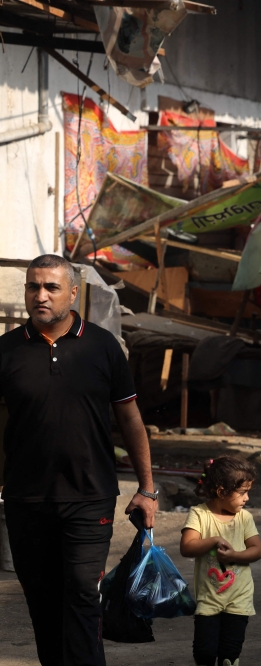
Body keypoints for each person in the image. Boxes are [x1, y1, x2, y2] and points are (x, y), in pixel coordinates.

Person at [0, 254, 157, 666]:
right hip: (26, 500)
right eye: (34, 286)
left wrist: (147, 489)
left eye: (51, 287)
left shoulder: (102, 346)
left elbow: (130, 419)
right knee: (43, 602)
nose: (41, 295)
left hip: (90, 498)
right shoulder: (7, 350)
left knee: (84, 595)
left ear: (73, 293)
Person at [180, 456, 261, 666]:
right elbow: (187, 547)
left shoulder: (244, 518)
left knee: (230, 653)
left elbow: (257, 550)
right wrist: (214, 540)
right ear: (221, 492)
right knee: (204, 653)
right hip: (209, 598)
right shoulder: (199, 514)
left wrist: (234, 556)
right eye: (243, 492)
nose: (247, 498)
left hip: (239, 597)